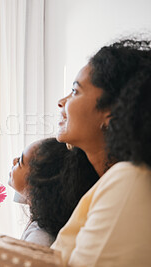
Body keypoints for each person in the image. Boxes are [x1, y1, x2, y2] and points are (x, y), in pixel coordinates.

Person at [51, 39, 151, 266]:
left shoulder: (130, 179)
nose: (61, 102)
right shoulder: (112, 180)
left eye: (75, 91)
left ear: (112, 112)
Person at [9, 138, 98, 247]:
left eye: (20, 162)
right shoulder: (45, 208)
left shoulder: (40, 238)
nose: (14, 160)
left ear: (37, 184)